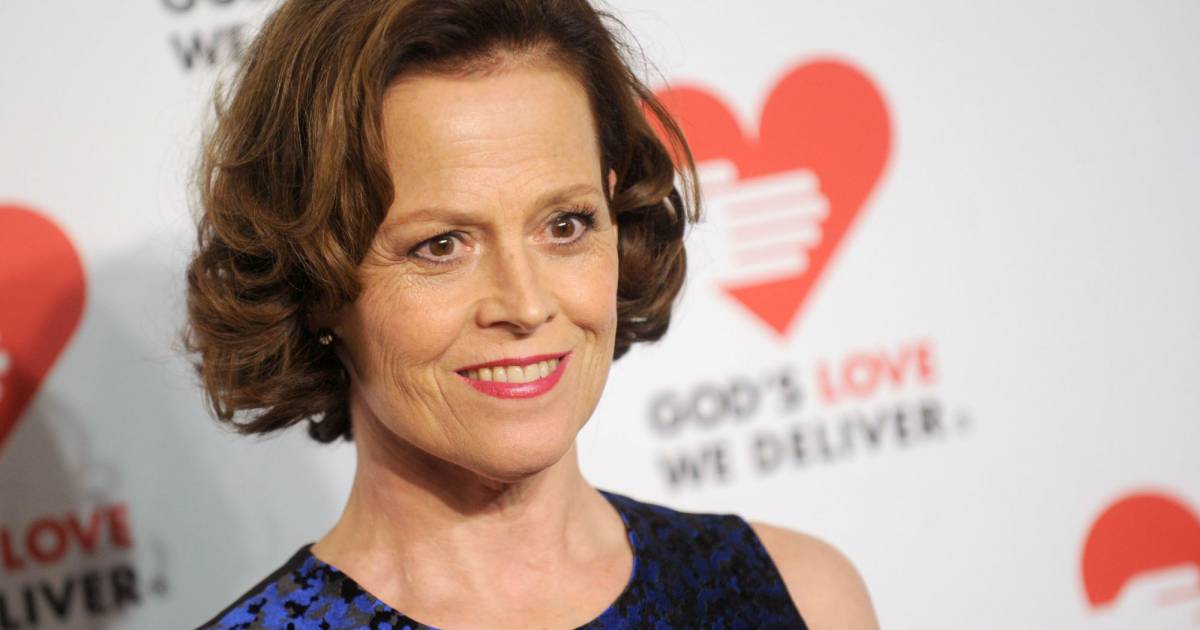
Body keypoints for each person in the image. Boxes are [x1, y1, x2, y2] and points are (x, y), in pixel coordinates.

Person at [184, 0, 879, 628]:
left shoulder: (800, 598)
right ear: (313, 280)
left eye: (566, 225)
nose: (525, 304)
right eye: (441, 245)